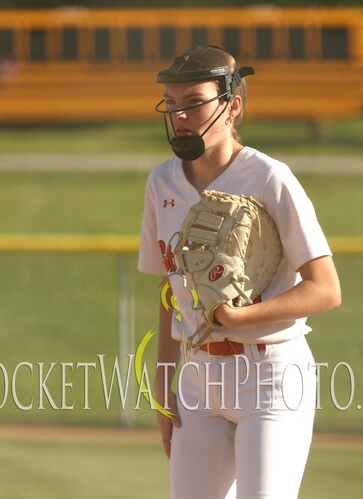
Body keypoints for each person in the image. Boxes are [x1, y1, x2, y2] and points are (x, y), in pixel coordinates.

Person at [137, 43, 341, 499]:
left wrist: (239, 317)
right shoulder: (162, 183)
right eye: (172, 104)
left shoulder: (270, 178)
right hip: (197, 379)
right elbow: (169, 294)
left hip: (269, 376)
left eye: (193, 102)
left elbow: (326, 289)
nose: (180, 116)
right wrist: (163, 385)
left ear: (233, 106)